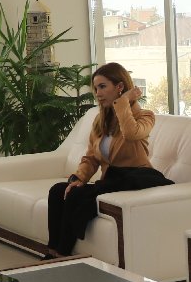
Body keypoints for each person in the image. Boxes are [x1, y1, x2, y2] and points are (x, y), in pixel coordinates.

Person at [46, 62, 172, 257]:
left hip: (134, 178)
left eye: (103, 87)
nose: (98, 93)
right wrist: (78, 178)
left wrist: (123, 102)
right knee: (58, 191)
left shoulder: (145, 116)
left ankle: (63, 256)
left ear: (120, 87)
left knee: (76, 196)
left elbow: (131, 133)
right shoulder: (100, 121)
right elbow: (91, 157)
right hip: (110, 180)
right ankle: (52, 251)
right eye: (96, 88)